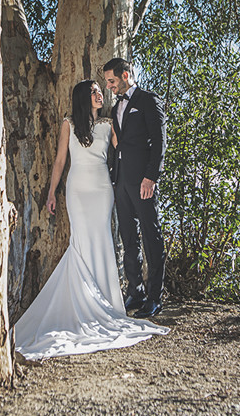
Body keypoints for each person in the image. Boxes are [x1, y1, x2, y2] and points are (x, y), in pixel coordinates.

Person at [12, 79, 167, 360]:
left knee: (103, 241)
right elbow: (60, 161)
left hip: (102, 189)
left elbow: (125, 151)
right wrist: (51, 193)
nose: (99, 94)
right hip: (77, 190)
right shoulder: (69, 124)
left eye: (100, 90)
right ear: (84, 97)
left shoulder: (109, 124)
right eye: (94, 91)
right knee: (80, 241)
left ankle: (106, 301)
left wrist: (147, 168)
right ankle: (81, 301)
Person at [102, 58, 166, 319]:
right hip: (121, 183)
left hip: (143, 182)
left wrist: (151, 177)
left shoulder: (148, 100)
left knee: (151, 237)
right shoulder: (116, 105)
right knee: (129, 240)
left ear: (126, 75)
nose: (109, 86)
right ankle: (135, 291)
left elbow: (160, 142)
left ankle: (154, 298)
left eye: (112, 81)